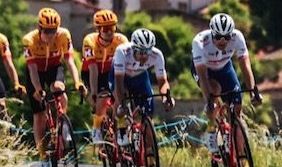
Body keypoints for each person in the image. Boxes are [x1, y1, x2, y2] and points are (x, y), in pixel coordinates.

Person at [24, 8, 86, 167]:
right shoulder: (29, 40)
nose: (51, 35)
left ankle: (62, 125)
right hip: (35, 72)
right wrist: (37, 89)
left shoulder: (64, 35)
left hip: (53, 68)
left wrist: (77, 82)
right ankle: (44, 157)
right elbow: (32, 70)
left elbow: (70, 62)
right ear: (39, 29)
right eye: (47, 31)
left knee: (59, 88)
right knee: (39, 116)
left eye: (54, 31)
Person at [192, 13, 263, 155]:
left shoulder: (238, 37)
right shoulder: (200, 41)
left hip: (224, 68)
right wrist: (209, 100)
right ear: (212, 34)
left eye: (227, 37)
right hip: (205, 70)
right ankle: (211, 129)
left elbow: (245, 66)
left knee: (237, 111)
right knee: (214, 90)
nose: (223, 41)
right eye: (218, 37)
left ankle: (243, 163)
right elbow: (202, 75)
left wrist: (253, 92)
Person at [112, 28, 175, 147]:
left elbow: (162, 81)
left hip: (140, 77)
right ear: (134, 48)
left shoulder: (157, 55)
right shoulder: (122, 51)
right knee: (120, 103)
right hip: (121, 77)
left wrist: (165, 98)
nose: (145, 55)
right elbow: (119, 82)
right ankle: (121, 128)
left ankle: (150, 157)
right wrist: (122, 103)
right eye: (141, 52)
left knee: (148, 115)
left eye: (148, 51)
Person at [82, 9, 128, 145]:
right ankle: (96, 127)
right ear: (98, 29)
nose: (109, 32)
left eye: (112, 27)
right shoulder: (90, 41)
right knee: (102, 97)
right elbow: (93, 69)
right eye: (105, 28)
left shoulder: (121, 40)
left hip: (113, 72)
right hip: (93, 73)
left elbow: (125, 66)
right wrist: (94, 92)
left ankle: (121, 129)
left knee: (119, 99)